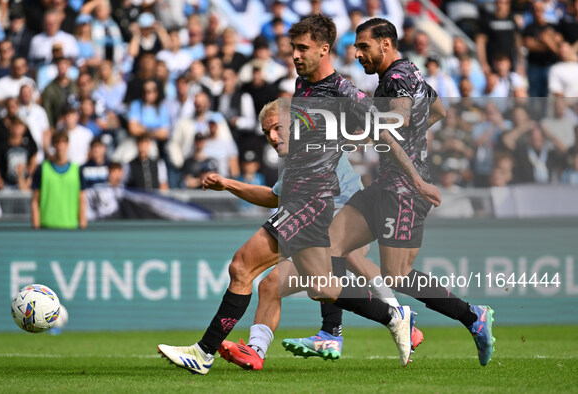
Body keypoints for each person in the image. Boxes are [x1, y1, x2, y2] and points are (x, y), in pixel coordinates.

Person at [158, 14, 440, 375]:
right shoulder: (302, 85)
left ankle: (204, 352)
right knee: (323, 288)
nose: (295, 55)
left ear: (325, 49)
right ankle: (393, 315)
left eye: (303, 48)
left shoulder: (343, 91)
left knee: (242, 265)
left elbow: (385, 132)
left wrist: (416, 182)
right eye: (293, 48)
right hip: (304, 199)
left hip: (312, 201)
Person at [205, 100, 424, 371]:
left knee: (335, 268)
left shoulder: (315, 150)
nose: (272, 137)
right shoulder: (299, 157)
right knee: (271, 285)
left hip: (344, 225)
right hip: (328, 230)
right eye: (267, 132)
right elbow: (274, 197)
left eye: (278, 128)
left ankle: (393, 319)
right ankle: (257, 350)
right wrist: (228, 184)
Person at [338, 17, 494, 366]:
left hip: (405, 190)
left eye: (364, 46)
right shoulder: (410, 75)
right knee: (330, 246)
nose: (357, 53)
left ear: (385, 44)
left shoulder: (396, 79)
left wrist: (363, 122)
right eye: (356, 47)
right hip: (386, 185)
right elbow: (437, 110)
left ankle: (471, 316)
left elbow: (399, 120)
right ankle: (332, 333)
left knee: (397, 275)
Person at [31, 132, 87, 229]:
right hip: (46, 225)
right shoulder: (42, 169)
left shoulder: (77, 170)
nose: (60, 146)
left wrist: (82, 224)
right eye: (57, 142)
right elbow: (35, 200)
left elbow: (81, 200)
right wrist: (36, 226)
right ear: (53, 145)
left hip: (70, 226)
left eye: (63, 142)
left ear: (68, 145)